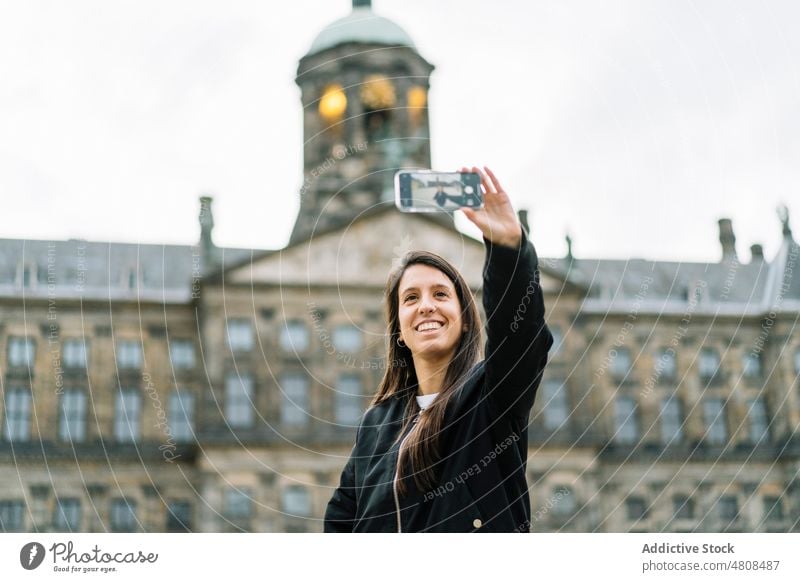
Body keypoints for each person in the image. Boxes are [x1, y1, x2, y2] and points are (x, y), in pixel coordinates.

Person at [324, 166, 554, 532]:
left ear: (464, 319)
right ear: (399, 329)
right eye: (411, 298)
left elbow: (521, 336)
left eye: (441, 294)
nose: (426, 306)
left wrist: (509, 247)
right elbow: (341, 520)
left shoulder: (491, 397)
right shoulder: (374, 425)